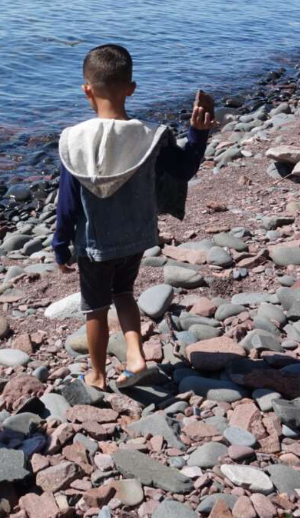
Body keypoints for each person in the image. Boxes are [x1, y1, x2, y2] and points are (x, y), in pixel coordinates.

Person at [52, 43, 213, 391]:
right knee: (124, 292)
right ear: (131, 88)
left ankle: (96, 374)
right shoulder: (150, 137)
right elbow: (183, 170)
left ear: (86, 90)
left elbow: (67, 202)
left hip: (95, 245)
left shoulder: (73, 140)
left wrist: (60, 243)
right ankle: (136, 356)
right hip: (137, 238)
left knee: (94, 308)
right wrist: (198, 134)